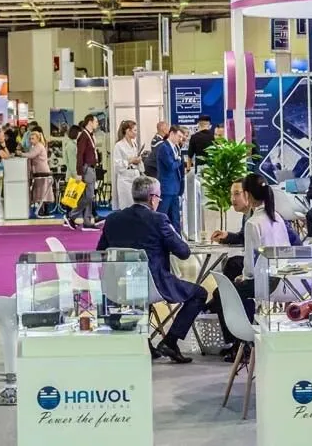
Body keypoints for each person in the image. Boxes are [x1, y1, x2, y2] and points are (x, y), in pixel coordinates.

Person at [97, 175, 207, 364]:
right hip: (153, 284)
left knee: (141, 296)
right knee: (199, 294)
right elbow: (183, 252)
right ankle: (170, 341)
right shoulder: (158, 220)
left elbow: (101, 251)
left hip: (120, 285)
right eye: (159, 197)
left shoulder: (113, 219)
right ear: (152, 198)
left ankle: (145, 342)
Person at [207, 174, 291, 359]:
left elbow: (251, 265)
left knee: (225, 293)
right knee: (237, 285)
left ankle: (240, 342)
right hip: (286, 281)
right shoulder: (276, 217)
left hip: (266, 282)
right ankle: (241, 343)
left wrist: (243, 277)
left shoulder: (253, 222)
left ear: (247, 195)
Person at [155, 125, 185, 234]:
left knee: (175, 217)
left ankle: (177, 238)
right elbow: (171, 165)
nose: (180, 139)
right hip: (166, 187)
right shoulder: (163, 147)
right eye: (179, 136)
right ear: (172, 133)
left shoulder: (176, 147)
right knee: (162, 214)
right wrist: (179, 160)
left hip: (175, 187)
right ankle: (158, 236)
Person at [72, 114, 100, 230]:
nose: (97, 124)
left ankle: (87, 221)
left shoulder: (90, 135)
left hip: (91, 168)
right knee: (88, 196)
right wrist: (79, 172)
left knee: (89, 195)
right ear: (90, 122)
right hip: (87, 168)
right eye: (96, 121)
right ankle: (72, 215)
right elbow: (80, 155)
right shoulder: (84, 136)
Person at [20, 129, 54, 215]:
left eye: (33, 138)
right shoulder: (35, 146)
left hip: (42, 170)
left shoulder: (39, 146)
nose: (31, 140)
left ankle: (45, 210)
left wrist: (20, 153)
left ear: (38, 139)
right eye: (30, 138)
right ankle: (42, 210)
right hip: (38, 171)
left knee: (43, 191)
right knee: (41, 191)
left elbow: (31, 155)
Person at [112, 120, 143, 210]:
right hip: (125, 179)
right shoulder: (119, 145)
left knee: (136, 204)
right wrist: (130, 161)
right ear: (128, 131)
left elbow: (135, 159)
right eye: (134, 130)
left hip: (135, 176)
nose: (136, 133)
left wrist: (138, 160)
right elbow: (117, 166)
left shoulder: (134, 143)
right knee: (126, 205)